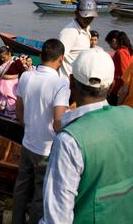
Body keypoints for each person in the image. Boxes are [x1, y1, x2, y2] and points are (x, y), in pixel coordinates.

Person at [40, 48, 133, 224]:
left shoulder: (69, 140)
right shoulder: (130, 115)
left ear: (71, 82)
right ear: (112, 85)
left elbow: (57, 218)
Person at [12, 39, 70, 224]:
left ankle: (16, 220)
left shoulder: (26, 76)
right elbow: (58, 123)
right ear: (61, 59)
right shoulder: (61, 83)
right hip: (46, 149)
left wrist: (28, 126)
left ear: (40, 56)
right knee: (40, 194)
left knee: (21, 187)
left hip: (28, 143)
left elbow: (18, 111)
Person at [58, 0, 97, 82]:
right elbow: (58, 58)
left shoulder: (85, 30)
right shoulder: (69, 32)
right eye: (85, 17)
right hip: (67, 81)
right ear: (76, 13)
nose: (88, 20)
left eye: (91, 17)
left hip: (78, 80)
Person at [0, 46, 26, 118]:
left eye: (3, 57)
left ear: (9, 54)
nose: (2, 59)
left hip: (12, 88)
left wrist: (13, 78)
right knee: (0, 106)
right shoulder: (1, 61)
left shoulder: (15, 60)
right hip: (1, 88)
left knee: (11, 105)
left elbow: (23, 72)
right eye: (0, 57)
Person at [104, 30, 133, 105]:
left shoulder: (120, 52)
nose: (110, 47)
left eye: (109, 44)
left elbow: (125, 71)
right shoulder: (127, 50)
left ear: (114, 41)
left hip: (117, 89)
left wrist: (121, 90)